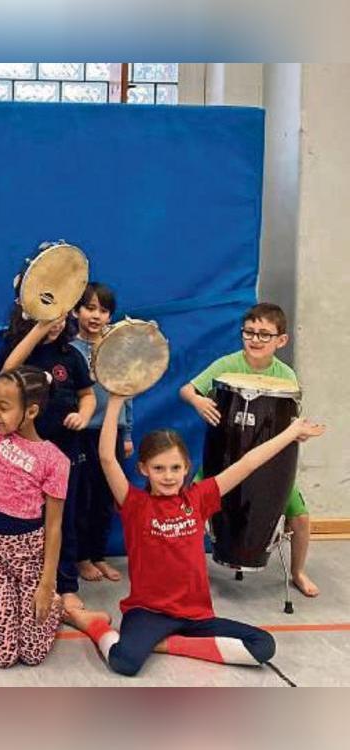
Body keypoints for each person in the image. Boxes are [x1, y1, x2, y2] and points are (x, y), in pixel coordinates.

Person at [65, 393, 324, 676]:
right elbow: (106, 458)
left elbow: (249, 462)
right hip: (148, 613)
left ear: (187, 467)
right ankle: (92, 623)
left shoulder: (199, 498)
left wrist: (291, 432)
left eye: (175, 468)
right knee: (125, 663)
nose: (168, 476)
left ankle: (163, 645)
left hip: (196, 616)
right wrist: (115, 402)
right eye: (158, 468)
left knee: (263, 645)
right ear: (143, 469)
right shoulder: (135, 503)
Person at [179, 303, 318, 597]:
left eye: (264, 335)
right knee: (188, 508)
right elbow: (186, 390)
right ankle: (187, 572)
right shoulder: (226, 364)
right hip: (222, 460)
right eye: (249, 332)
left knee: (301, 517)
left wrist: (298, 434)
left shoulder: (286, 376)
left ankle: (298, 571)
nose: (255, 339)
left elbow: (291, 421)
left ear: (281, 340)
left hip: (271, 465)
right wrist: (198, 401)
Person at [0, 367, 96, 667]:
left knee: (33, 654)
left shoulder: (54, 460)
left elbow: (55, 526)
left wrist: (48, 584)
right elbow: (7, 368)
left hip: (31, 557)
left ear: (31, 410)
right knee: (4, 655)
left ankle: (59, 604)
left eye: (3, 407)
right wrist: (39, 326)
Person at [0, 295, 95, 611]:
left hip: (61, 450)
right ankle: (20, 584)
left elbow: (87, 396)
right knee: (27, 524)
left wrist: (84, 414)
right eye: (47, 315)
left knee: (62, 520)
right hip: (20, 456)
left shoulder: (71, 356)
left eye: (60, 316)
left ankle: (65, 583)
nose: (55, 322)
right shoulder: (16, 351)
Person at [69, 283, 132, 582]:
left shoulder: (115, 348)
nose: (96, 315)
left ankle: (98, 555)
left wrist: (127, 432)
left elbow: (126, 391)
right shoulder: (69, 349)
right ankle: (81, 558)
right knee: (83, 496)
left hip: (113, 432)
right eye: (89, 308)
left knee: (107, 498)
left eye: (103, 310)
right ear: (76, 311)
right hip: (83, 433)